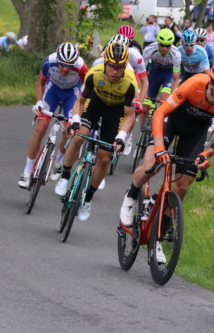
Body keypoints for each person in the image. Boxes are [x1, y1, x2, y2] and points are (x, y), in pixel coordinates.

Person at [119, 62, 214, 263]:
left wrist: (206, 154)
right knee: (151, 166)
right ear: (210, 83)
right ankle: (132, 194)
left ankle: (158, 239)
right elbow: (160, 113)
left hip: (194, 134)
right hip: (171, 121)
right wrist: (160, 147)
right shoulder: (194, 84)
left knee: (182, 187)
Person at [54, 42, 137, 221]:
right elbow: (80, 102)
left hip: (115, 112)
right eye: (112, 66)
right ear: (105, 63)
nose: (115, 71)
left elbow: (129, 116)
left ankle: (88, 200)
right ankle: (65, 177)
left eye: (120, 67)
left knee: (105, 157)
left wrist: (122, 137)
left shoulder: (130, 83)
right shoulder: (94, 74)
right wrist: (75, 121)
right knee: (77, 137)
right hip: (95, 103)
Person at [18, 43, 89, 189]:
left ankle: (57, 161)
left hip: (72, 94)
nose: (65, 69)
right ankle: (26, 172)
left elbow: (85, 93)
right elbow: (41, 83)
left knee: (68, 133)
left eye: (69, 66)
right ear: (57, 60)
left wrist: (78, 115)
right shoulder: (48, 61)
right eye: (62, 65)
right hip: (53, 91)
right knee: (40, 130)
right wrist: (38, 102)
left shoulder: (82, 68)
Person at [93, 34, 149, 155]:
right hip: (109, 81)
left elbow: (144, 82)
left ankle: (127, 135)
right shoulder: (107, 53)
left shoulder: (135, 55)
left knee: (132, 111)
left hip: (130, 81)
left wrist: (139, 101)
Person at [140, 29, 181, 128]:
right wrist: (139, 90)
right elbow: (141, 72)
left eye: (167, 46)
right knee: (145, 108)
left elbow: (176, 78)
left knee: (163, 99)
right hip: (154, 74)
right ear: (158, 43)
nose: (164, 48)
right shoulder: (149, 49)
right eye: (162, 45)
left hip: (168, 76)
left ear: (171, 45)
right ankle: (142, 132)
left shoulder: (176, 54)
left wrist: (172, 96)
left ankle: (158, 128)